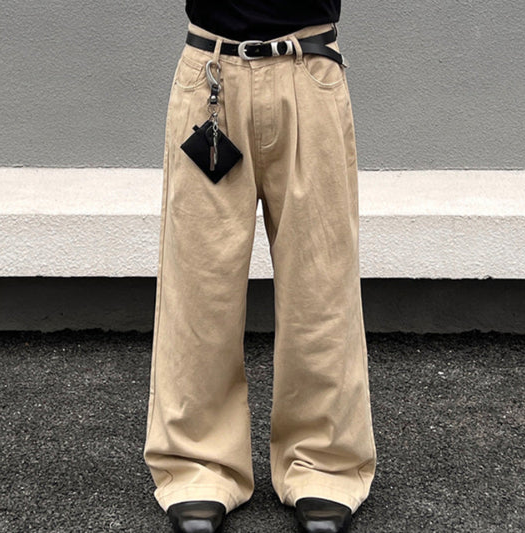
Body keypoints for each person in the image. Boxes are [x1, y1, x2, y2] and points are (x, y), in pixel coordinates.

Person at [143, 2, 377, 532]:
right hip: (211, 74)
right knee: (200, 285)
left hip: (309, 69)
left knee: (321, 282)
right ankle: (199, 466)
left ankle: (325, 464)